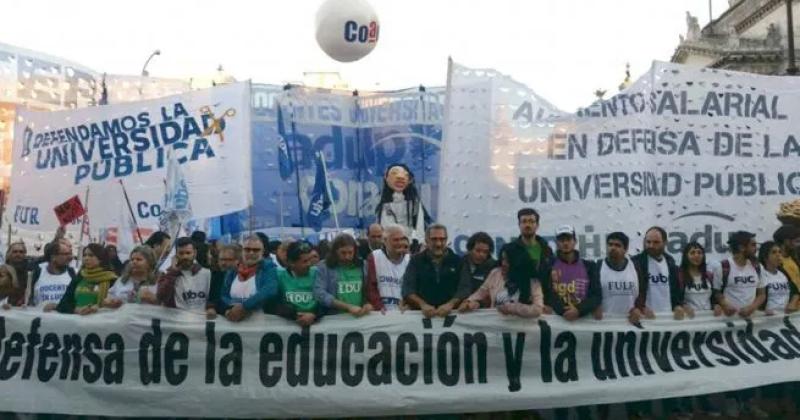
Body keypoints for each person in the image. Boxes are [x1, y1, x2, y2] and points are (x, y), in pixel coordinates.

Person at [711, 231, 768, 419]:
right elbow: (716, 292)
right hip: (729, 327)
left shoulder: (757, 267)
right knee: (732, 364)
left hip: (751, 326)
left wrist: (752, 308)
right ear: (742, 247)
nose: (756, 248)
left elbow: (761, 294)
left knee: (752, 363)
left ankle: (749, 402)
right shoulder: (723, 267)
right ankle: (732, 401)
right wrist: (725, 304)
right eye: (752, 244)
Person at [594, 232, 646, 420]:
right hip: (605, 329)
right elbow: (592, 292)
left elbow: (642, 291)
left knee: (631, 371)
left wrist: (638, 308)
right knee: (605, 373)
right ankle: (603, 412)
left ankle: (633, 411)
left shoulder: (635, 266)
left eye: (617, 245)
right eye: (610, 244)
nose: (612, 248)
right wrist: (595, 305)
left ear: (625, 249)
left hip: (630, 328)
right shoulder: (598, 266)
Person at [677, 242, 722, 417]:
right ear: (686, 256)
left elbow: (714, 297)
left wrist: (716, 305)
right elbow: (674, 296)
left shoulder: (708, 276)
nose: (696, 255)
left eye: (699, 252)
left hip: (707, 329)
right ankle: (686, 404)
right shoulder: (679, 275)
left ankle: (706, 402)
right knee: (687, 367)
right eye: (692, 252)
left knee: (706, 366)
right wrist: (682, 305)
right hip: (687, 329)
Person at [458, 242, 543, 317]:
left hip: (520, 330)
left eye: (508, 260)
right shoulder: (495, 273)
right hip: (496, 330)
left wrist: (513, 308)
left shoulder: (532, 281)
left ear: (517, 263)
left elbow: (538, 309)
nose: (503, 263)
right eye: (502, 259)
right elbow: (480, 293)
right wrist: (469, 302)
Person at [402, 224, 469, 318]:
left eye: (442, 239)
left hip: (453, 319)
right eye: (434, 239)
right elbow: (407, 288)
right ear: (426, 241)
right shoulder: (415, 261)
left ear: (447, 240)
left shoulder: (458, 261)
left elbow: (465, 288)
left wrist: (450, 304)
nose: (438, 244)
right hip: (422, 318)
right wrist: (422, 304)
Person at [542, 225, 601, 321]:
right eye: (562, 240)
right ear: (556, 243)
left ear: (575, 241)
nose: (565, 243)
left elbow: (597, 295)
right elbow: (546, 293)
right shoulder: (548, 266)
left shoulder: (590, 266)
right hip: (557, 320)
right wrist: (563, 310)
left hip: (584, 320)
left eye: (568, 239)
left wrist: (578, 310)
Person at [219, 236, 278, 322]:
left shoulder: (269, 268)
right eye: (247, 249)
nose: (251, 253)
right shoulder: (233, 271)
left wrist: (244, 307)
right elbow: (223, 295)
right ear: (242, 251)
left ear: (263, 252)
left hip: (261, 324)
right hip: (233, 323)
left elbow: (270, 290)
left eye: (256, 250)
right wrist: (229, 309)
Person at [314, 233, 373, 316]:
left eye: (350, 253)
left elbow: (368, 289)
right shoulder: (324, 267)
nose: (347, 256)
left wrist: (367, 303)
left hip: (359, 315)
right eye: (343, 253)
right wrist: (348, 307)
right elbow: (319, 293)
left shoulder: (363, 265)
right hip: (334, 317)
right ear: (335, 252)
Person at [632, 227, 684, 319]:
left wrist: (677, 306)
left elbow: (675, 289)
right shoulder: (636, 262)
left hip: (668, 317)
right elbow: (630, 292)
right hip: (645, 318)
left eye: (656, 242)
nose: (651, 245)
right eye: (648, 242)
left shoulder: (670, 262)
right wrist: (641, 308)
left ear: (665, 243)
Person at [156, 237, 214, 316]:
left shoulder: (207, 273)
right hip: (178, 323)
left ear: (195, 253)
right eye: (181, 253)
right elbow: (161, 297)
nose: (185, 257)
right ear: (176, 255)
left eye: (188, 253)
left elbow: (213, 299)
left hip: (201, 323)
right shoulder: (168, 274)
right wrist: (173, 273)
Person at [56, 244, 118, 315]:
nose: (86, 258)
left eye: (91, 255)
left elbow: (117, 305)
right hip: (77, 321)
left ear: (100, 258)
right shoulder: (80, 277)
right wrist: (77, 310)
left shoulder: (111, 279)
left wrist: (98, 307)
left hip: (100, 321)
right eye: (84, 255)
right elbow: (63, 304)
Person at [365, 224, 411, 312]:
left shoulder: (410, 259)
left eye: (402, 239)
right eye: (396, 240)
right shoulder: (374, 257)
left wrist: (409, 304)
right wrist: (379, 306)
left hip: (403, 312)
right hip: (381, 312)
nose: (400, 243)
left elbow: (413, 288)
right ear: (385, 241)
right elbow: (371, 287)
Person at [274, 241, 321, 326]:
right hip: (288, 326)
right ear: (292, 263)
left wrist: (315, 315)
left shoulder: (317, 273)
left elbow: (326, 299)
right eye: (305, 261)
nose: (309, 264)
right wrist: (294, 315)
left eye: (310, 260)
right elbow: (274, 304)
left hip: (316, 325)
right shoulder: (279, 276)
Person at [29, 238, 75, 311]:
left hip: (65, 319)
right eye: (65, 254)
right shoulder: (38, 272)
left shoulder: (72, 273)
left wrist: (56, 306)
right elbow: (31, 299)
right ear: (53, 257)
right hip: (42, 318)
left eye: (70, 253)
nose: (70, 257)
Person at [513, 208, 554, 279]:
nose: (527, 225)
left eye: (531, 221)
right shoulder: (510, 250)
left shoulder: (546, 250)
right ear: (519, 225)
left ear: (537, 225)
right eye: (524, 221)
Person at [3, 242, 29, 307]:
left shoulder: (30, 272)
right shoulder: (2, 271)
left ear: (25, 255)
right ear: (8, 254)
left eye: (21, 252)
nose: (18, 254)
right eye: (15, 252)